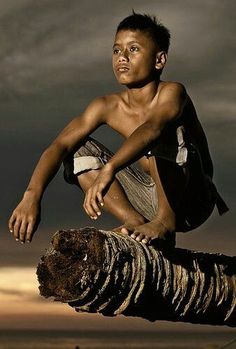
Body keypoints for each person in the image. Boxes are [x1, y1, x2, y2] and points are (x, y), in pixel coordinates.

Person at [8, 12, 228, 246]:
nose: (122, 57)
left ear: (159, 60)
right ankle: (134, 220)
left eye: (133, 49)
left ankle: (164, 223)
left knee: (163, 132)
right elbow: (59, 145)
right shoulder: (107, 106)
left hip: (192, 198)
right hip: (148, 197)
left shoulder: (173, 93)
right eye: (116, 50)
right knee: (75, 149)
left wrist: (110, 168)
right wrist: (31, 195)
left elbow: (152, 128)